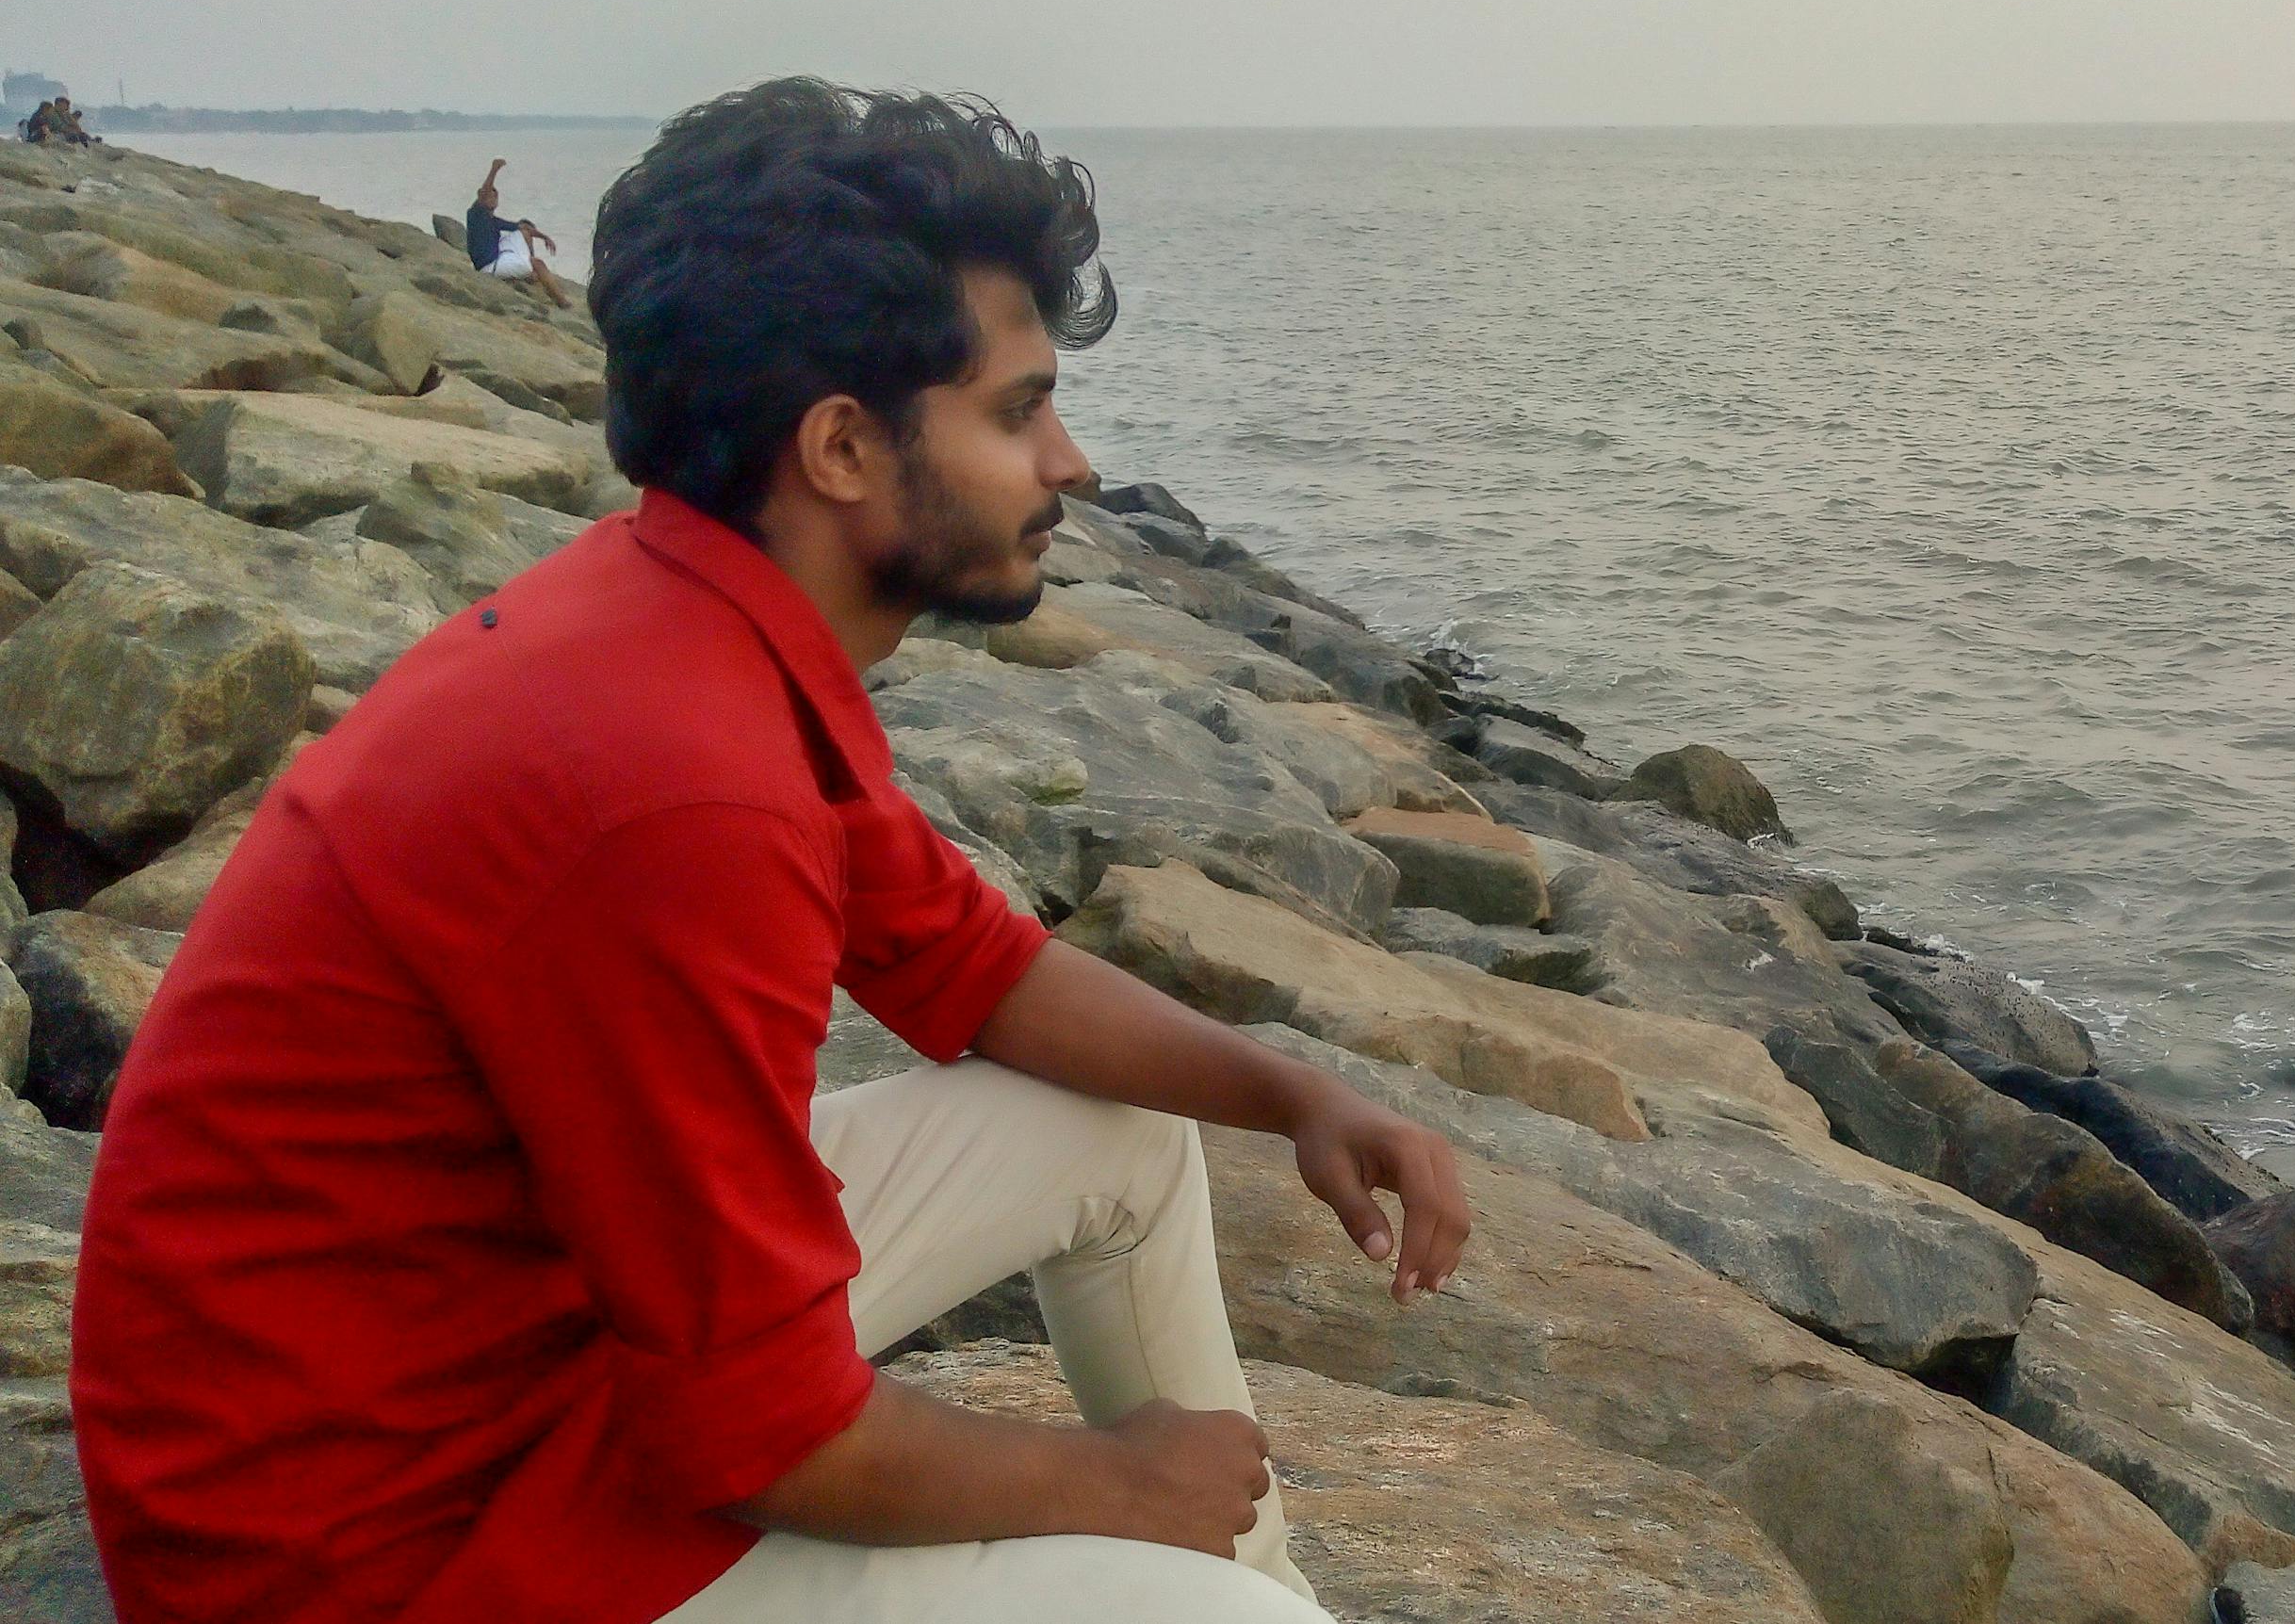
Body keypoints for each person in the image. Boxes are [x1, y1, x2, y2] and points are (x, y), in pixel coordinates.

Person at [71, 79, 1470, 1624]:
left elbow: (978, 970)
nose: (1069, 463)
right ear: (842, 447)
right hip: (380, 1551)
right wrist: (1122, 1484)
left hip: (510, 1351)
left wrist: (1297, 1095)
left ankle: (1244, 1572)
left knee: (1116, 1134)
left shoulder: (684, 617)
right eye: (1017, 412)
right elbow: (762, 1435)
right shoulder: (678, 794)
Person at [463, 154, 575, 305]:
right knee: (538, 264)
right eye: (490, 196)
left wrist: (544, 237)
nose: (493, 198)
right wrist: (494, 170)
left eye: (495, 196)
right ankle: (561, 302)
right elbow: (483, 193)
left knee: (523, 231)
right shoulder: (475, 214)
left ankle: (528, 267)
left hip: (497, 256)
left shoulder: (494, 220)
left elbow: (523, 227)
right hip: (488, 266)